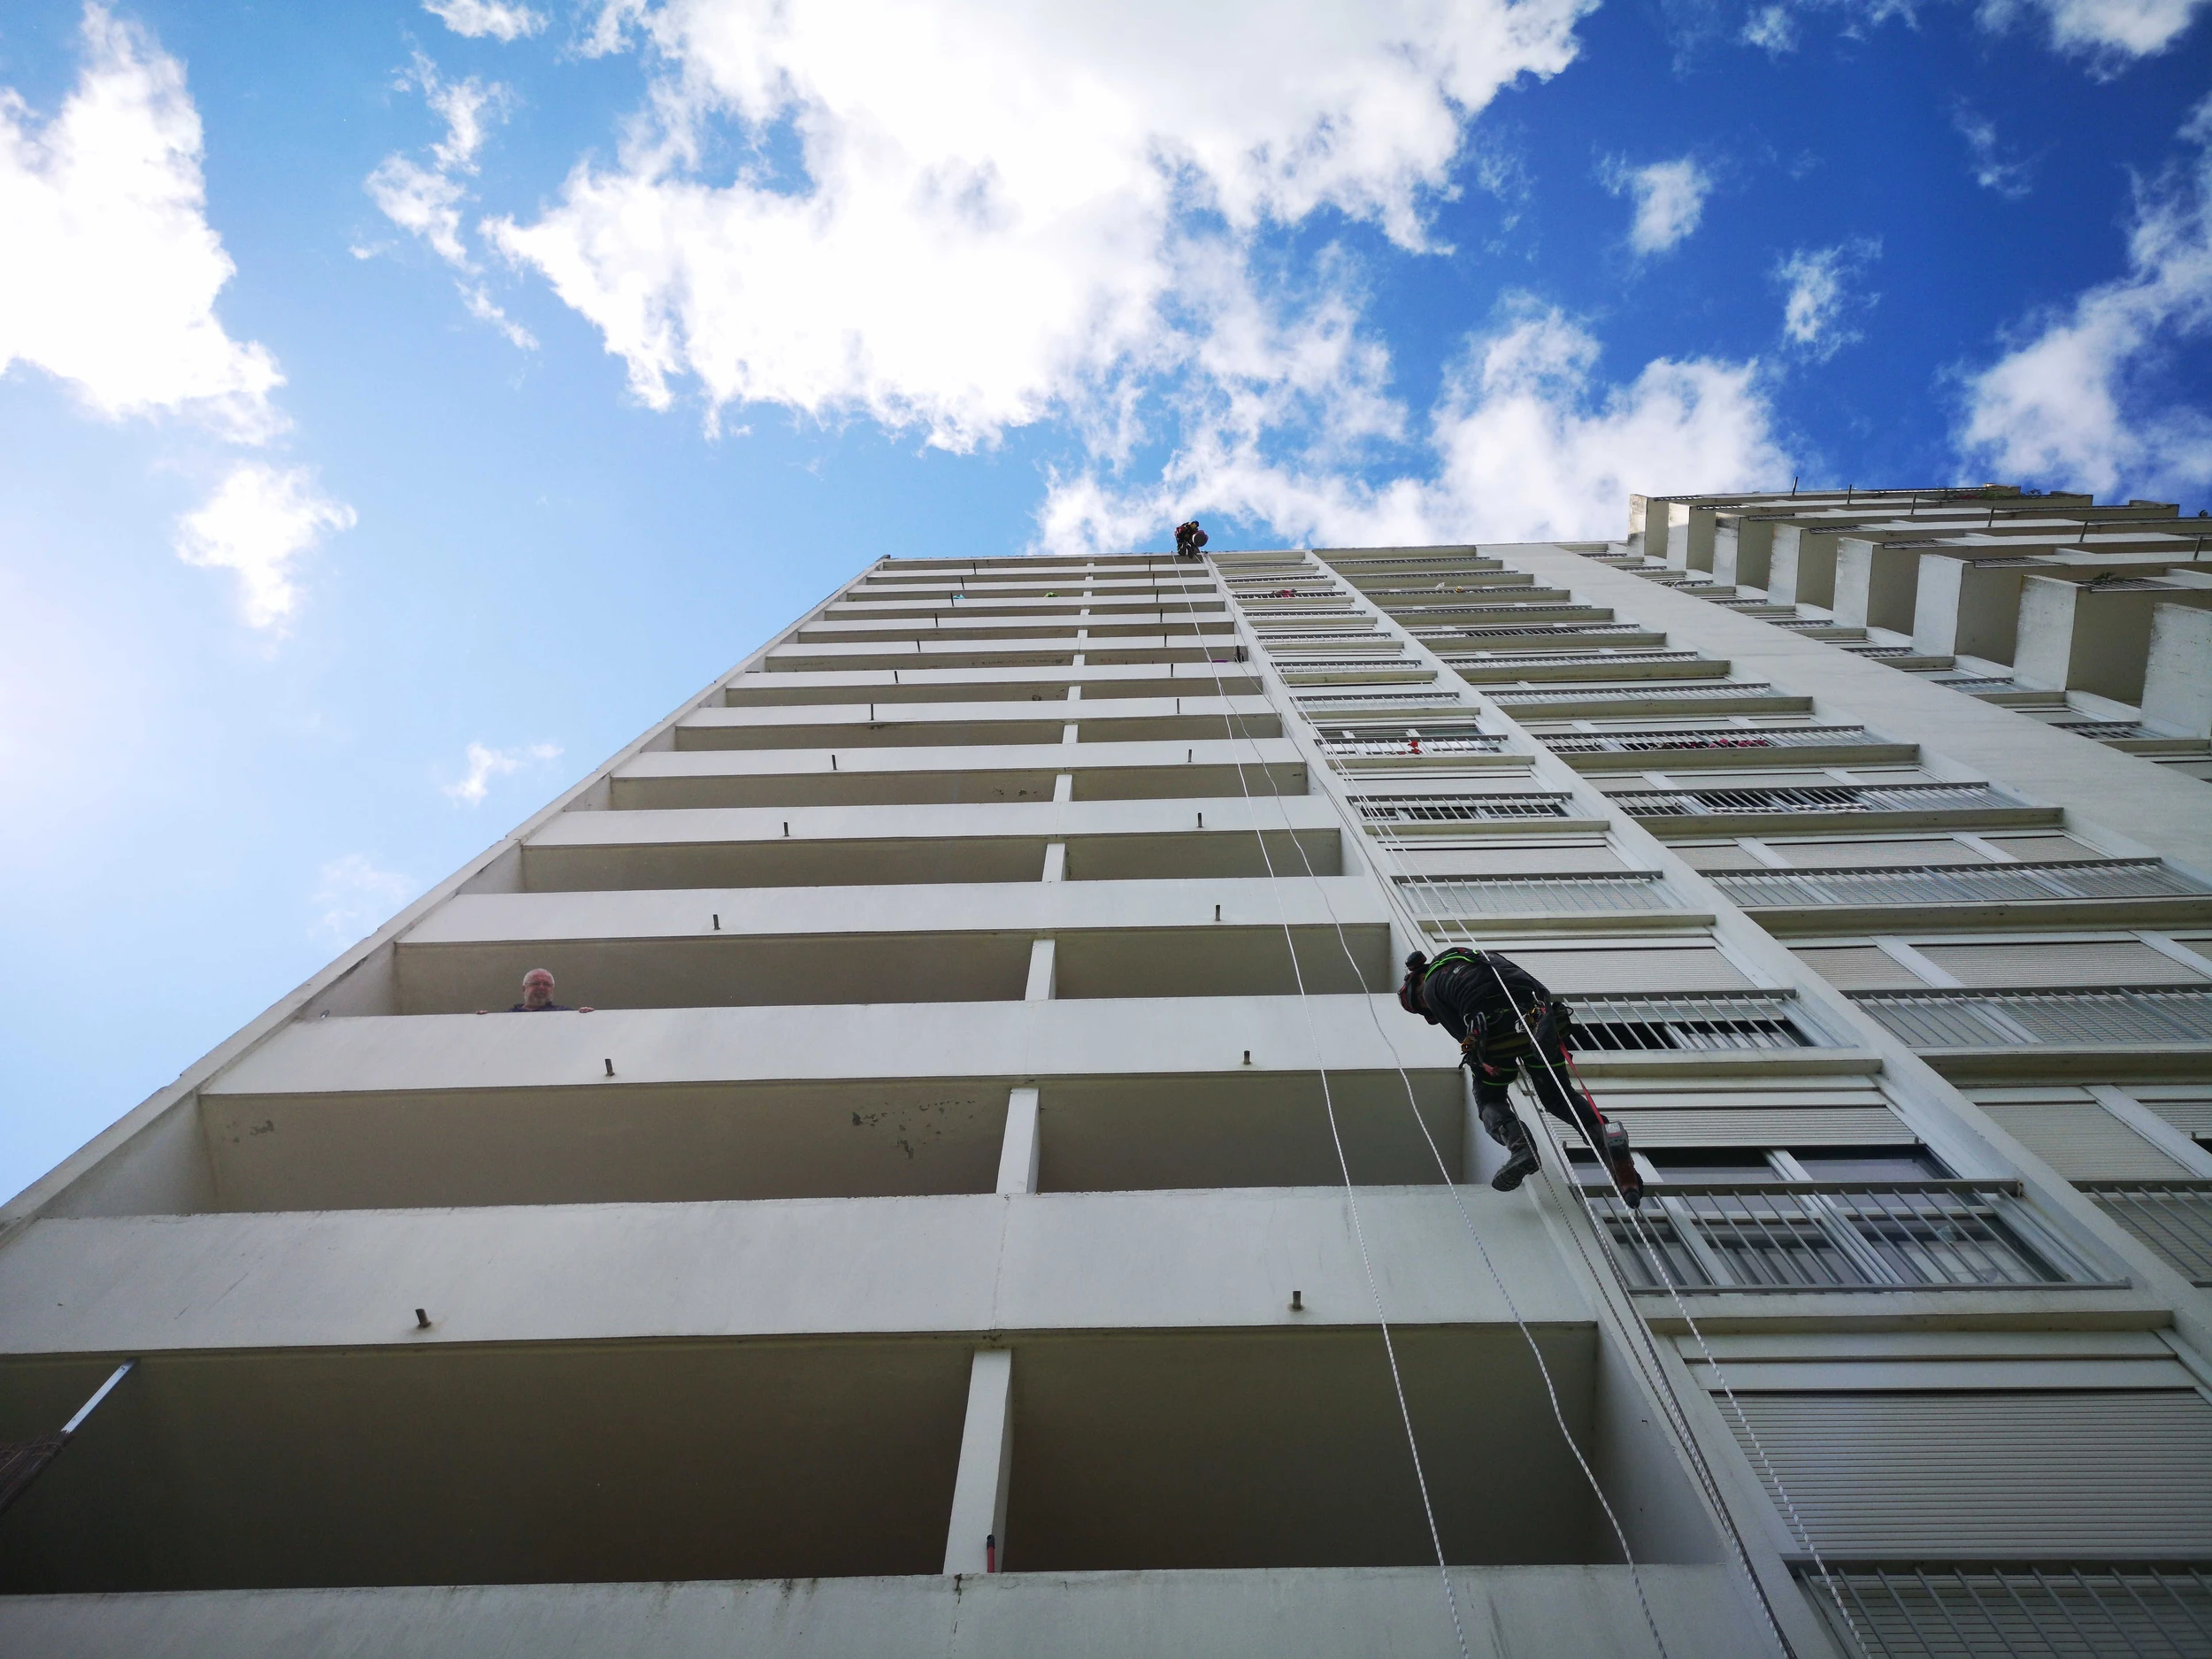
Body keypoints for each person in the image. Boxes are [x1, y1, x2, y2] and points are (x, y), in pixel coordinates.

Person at [1398, 948, 1642, 1205]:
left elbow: (1462, 1034)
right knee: (1559, 1097)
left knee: (1489, 1099)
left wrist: (1482, 1062)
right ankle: (1607, 1141)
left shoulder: (1431, 987)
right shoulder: (1482, 956)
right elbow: (1535, 986)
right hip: (1536, 1022)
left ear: (1420, 979)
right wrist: (1546, 1022)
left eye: (1422, 1003)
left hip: (1496, 1036)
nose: (1427, 1003)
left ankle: (1521, 1148)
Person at [508, 968, 591, 1013]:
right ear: (524, 989)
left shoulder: (563, 1012)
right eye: (536, 983)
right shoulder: (509, 1015)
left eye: (547, 984)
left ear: (552, 989)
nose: (541, 987)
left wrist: (585, 1016)